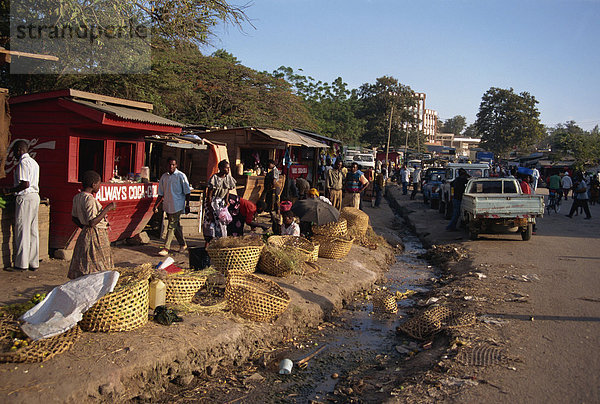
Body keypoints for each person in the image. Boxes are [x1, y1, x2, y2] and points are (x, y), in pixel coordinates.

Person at [68, 171, 116, 279]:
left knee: (85, 262)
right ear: (93, 184)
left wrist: (83, 227)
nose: (99, 186)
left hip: (85, 233)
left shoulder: (77, 197)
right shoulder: (89, 199)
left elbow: (74, 218)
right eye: (99, 184)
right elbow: (92, 222)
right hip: (96, 235)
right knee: (98, 264)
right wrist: (108, 208)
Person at [4, 140, 40, 271]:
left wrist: (10, 190)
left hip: (25, 197)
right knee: (32, 231)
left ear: (20, 150)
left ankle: (21, 264)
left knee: (22, 230)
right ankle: (33, 263)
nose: (13, 154)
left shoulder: (23, 163)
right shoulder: (34, 163)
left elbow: (25, 184)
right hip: (35, 197)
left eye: (14, 151)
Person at [154, 157, 191, 256]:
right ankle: (183, 244)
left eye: (173, 165)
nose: (171, 166)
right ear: (167, 165)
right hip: (168, 204)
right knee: (175, 226)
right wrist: (156, 205)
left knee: (171, 226)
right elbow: (160, 193)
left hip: (178, 204)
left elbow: (187, 192)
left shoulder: (181, 176)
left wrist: (187, 204)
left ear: (176, 165)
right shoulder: (164, 177)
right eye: (169, 165)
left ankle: (166, 248)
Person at [204, 159, 237, 243]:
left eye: (228, 168)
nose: (228, 170)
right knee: (213, 223)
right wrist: (210, 207)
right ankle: (214, 241)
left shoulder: (228, 178)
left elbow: (227, 189)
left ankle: (222, 241)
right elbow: (209, 194)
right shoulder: (214, 178)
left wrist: (226, 200)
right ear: (221, 168)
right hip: (214, 202)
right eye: (226, 168)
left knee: (223, 222)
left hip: (222, 202)